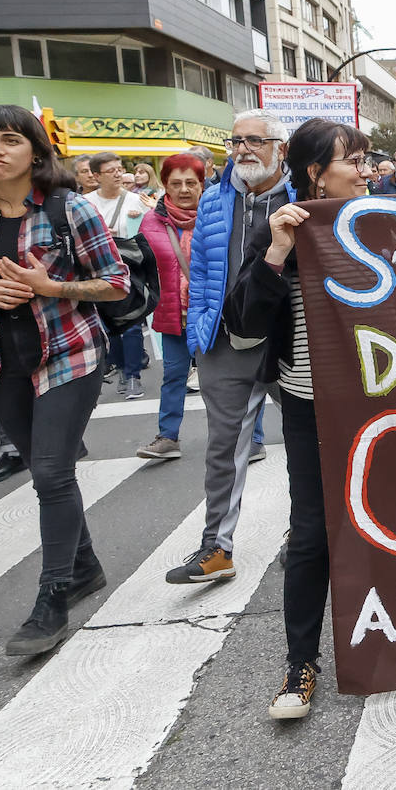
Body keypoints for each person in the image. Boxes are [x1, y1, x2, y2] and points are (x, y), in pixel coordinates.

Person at [0, 104, 128, 655]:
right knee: (44, 472)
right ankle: (84, 566)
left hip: (68, 354)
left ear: (35, 150)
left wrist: (51, 287)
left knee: (52, 473)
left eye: (10, 139)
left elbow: (116, 283)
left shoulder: (68, 208)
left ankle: (52, 597)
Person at [223, 118, 370, 719]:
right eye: (352, 160)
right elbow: (243, 325)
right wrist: (278, 252)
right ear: (316, 173)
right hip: (310, 407)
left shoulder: (386, 223)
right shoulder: (278, 231)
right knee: (311, 534)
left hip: (382, 406)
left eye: (365, 160)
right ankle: (300, 663)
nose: (365, 171)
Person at [166, 109, 299, 585]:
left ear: (281, 149)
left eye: (255, 141)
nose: (243, 149)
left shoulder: (307, 196)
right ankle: (216, 548)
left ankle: (303, 533)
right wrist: (199, 333)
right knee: (223, 449)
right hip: (224, 340)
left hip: (291, 340)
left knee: (306, 442)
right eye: (236, 140)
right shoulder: (214, 200)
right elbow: (202, 272)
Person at [135, 153, 204, 461]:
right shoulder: (151, 222)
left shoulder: (217, 215)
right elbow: (142, 268)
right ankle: (167, 437)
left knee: (227, 381)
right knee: (174, 376)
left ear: (202, 184)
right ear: (164, 184)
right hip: (173, 314)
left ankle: (250, 438)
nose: (184, 189)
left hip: (213, 314)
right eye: (176, 183)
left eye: (191, 182)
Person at [82, 152, 149, 398]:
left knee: (131, 324)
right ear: (96, 176)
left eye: (120, 169)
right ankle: (121, 368)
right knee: (108, 325)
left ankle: (132, 376)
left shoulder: (136, 200)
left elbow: (150, 232)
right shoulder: (84, 203)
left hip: (130, 269)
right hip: (98, 270)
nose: (118, 174)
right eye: (111, 171)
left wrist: (140, 220)